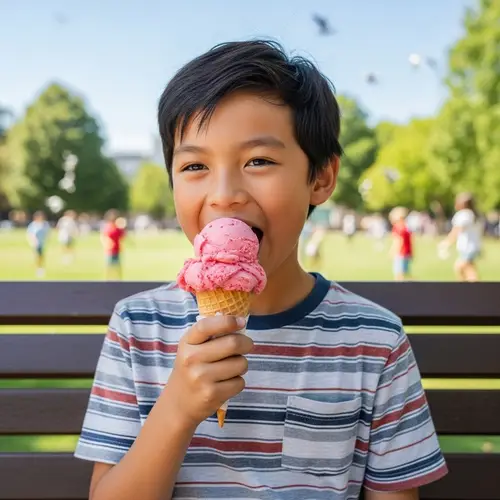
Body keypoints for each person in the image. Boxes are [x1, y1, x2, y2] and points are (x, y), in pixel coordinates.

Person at [75, 40, 447, 500]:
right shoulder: (138, 329)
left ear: (321, 178)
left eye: (258, 161)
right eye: (194, 165)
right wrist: (176, 409)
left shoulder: (375, 342)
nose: (225, 193)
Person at [439, 192, 482, 282]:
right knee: (463, 268)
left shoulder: (464, 214)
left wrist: (446, 243)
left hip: (468, 247)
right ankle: (466, 291)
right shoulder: (473, 214)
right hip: (472, 247)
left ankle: (475, 292)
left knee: (465, 269)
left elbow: (457, 230)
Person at [100, 209, 126, 280]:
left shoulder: (118, 228)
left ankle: (119, 280)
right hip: (110, 251)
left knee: (118, 267)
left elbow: (123, 236)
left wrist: (122, 227)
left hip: (117, 250)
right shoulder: (108, 227)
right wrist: (106, 244)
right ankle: (107, 280)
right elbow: (103, 236)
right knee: (109, 267)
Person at [389, 206, 413, 281]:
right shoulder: (406, 227)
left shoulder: (398, 227)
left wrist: (393, 252)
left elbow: (399, 241)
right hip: (406, 253)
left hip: (401, 254)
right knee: (405, 273)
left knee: (399, 275)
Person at [26, 211, 50, 277]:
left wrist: (47, 239)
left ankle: (41, 268)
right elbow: (30, 234)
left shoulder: (45, 224)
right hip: (36, 243)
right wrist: (33, 241)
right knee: (37, 256)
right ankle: (38, 269)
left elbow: (47, 233)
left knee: (42, 256)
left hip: (42, 243)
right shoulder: (33, 225)